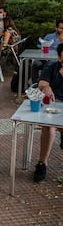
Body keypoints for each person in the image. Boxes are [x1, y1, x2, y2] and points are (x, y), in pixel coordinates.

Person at [33, 43, 63, 182]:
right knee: (47, 125)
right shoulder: (52, 67)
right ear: (59, 58)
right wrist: (47, 87)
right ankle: (42, 163)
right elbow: (41, 83)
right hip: (53, 106)